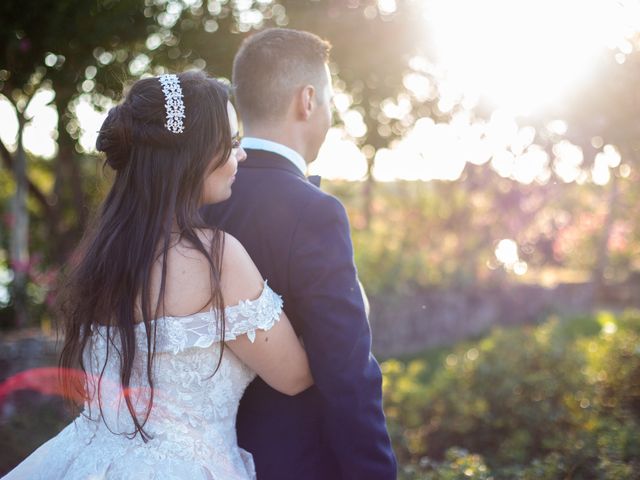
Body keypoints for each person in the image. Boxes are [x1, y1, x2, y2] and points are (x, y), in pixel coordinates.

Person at [2, 71, 313, 479]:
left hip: (85, 461)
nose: (242, 156)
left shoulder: (104, 255)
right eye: (232, 143)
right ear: (194, 155)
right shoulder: (216, 258)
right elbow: (295, 376)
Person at [202, 28, 398, 480]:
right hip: (292, 463)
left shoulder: (189, 197)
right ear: (307, 100)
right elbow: (348, 376)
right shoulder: (315, 212)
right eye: (329, 100)